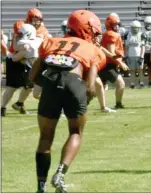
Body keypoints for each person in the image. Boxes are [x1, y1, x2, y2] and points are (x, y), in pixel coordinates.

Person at [29, 9, 107, 193]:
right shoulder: (92, 48)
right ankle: (60, 174)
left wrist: (49, 85)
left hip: (50, 82)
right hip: (74, 82)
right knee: (76, 132)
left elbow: (33, 75)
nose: (95, 35)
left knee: (46, 137)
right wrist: (85, 95)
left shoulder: (50, 41)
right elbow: (91, 82)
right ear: (84, 29)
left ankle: (41, 185)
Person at [99, 13, 129, 109]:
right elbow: (111, 53)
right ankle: (118, 104)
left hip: (108, 64)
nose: (117, 26)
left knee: (99, 88)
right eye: (114, 24)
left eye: (117, 24)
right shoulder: (111, 34)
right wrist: (121, 62)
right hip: (107, 64)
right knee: (120, 83)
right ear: (109, 25)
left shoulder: (112, 34)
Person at [125, 20, 145, 88]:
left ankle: (141, 83)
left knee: (140, 70)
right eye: (133, 27)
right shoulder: (128, 35)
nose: (135, 29)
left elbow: (143, 47)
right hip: (131, 55)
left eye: (136, 28)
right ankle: (132, 84)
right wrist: (126, 56)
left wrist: (142, 56)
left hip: (139, 55)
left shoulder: (141, 35)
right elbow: (126, 46)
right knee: (132, 70)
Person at [142, 16, 151, 87]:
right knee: (142, 67)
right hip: (144, 52)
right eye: (147, 23)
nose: (148, 25)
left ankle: (150, 81)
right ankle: (141, 81)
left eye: (150, 24)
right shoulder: (142, 32)